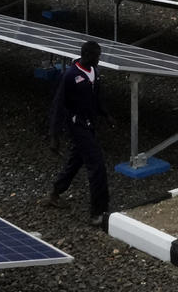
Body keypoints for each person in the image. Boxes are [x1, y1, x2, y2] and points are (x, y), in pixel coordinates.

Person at [44, 40, 112, 225]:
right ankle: (98, 212)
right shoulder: (70, 76)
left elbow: (96, 97)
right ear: (88, 56)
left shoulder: (95, 73)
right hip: (77, 125)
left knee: (76, 160)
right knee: (96, 165)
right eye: (97, 56)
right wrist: (54, 135)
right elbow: (59, 105)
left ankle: (55, 192)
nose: (99, 59)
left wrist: (105, 114)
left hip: (90, 124)